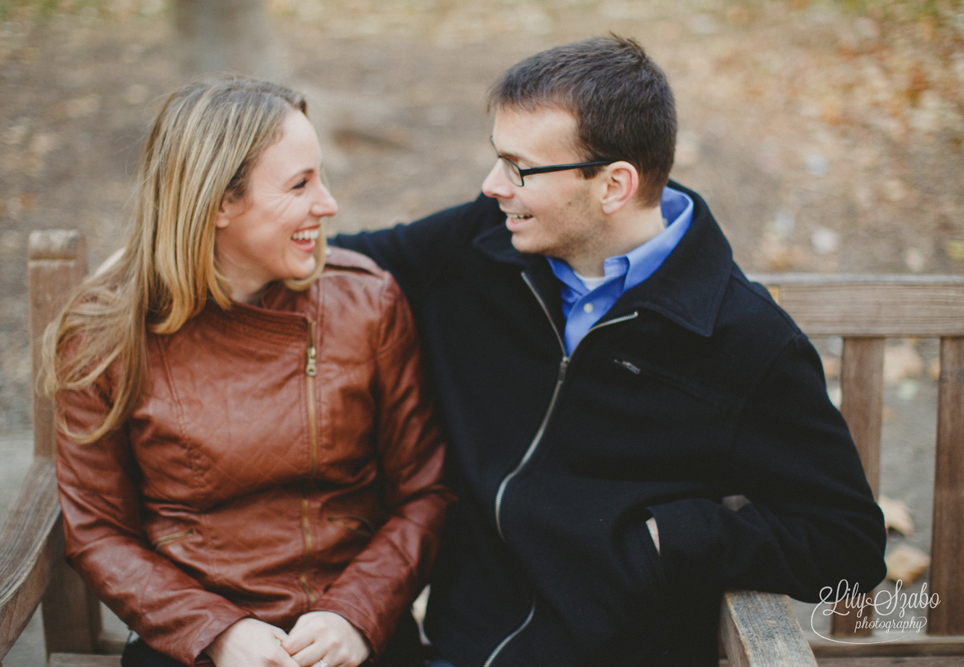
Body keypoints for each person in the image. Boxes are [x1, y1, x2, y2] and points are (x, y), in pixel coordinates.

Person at [332, 35, 887, 666]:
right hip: (461, 647)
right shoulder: (485, 245)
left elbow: (848, 545)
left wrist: (669, 537)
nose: (492, 185)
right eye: (496, 159)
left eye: (518, 167)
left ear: (614, 184)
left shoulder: (745, 341)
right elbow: (351, 262)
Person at [45, 78, 453, 667]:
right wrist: (216, 631)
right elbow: (98, 531)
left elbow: (425, 490)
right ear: (217, 204)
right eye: (300, 184)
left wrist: (355, 615)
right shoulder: (107, 334)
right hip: (188, 634)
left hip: (351, 628)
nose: (329, 204)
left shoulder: (366, 303)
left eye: (321, 178)